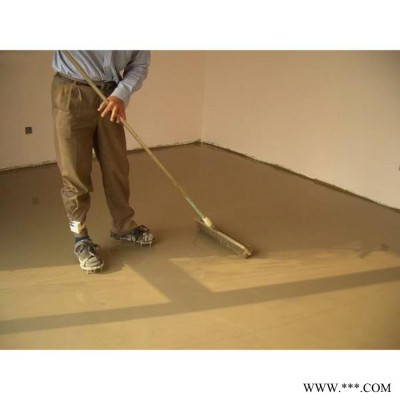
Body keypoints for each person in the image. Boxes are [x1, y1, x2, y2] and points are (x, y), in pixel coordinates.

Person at [51, 50, 154, 273]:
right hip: (71, 91)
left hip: (110, 94)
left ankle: (123, 227)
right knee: (74, 171)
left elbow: (139, 65)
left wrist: (121, 94)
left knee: (117, 167)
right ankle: (80, 238)